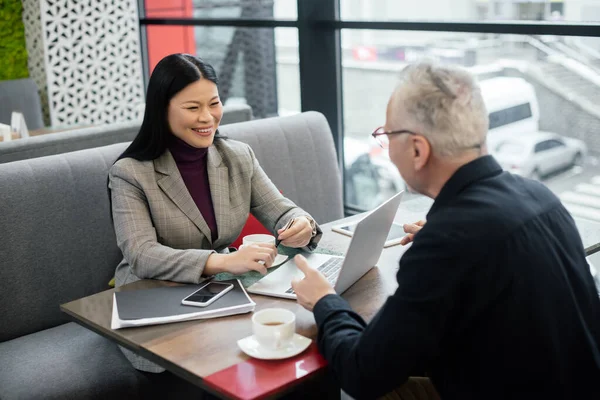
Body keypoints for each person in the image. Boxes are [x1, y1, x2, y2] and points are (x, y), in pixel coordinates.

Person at [291, 61, 600, 399]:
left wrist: (325, 301)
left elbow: (363, 372)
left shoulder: (450, 240)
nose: (386, 146)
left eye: (386, 135)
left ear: (418, 149)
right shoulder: (542, 198)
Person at [108, 53, 321, 376]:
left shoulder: (237, 156)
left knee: (295, 346)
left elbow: (282, 211)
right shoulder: (130, 173)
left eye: (214, 103)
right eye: (193, 108)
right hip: (151, 294)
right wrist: (222, 261)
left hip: (218, 291)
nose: (207, 117)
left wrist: (301, 225)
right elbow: (141, 255)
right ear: (161, 109)